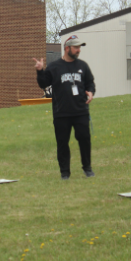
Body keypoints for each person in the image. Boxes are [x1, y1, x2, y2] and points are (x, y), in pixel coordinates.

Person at [34, 34, 96, 180]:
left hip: (80, 110)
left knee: (84, 139)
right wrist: (40, 71)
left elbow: (90, 83)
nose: (78, 50)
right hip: (61, 112)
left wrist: (91, 92)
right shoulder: (55, 67)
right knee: (62, 143)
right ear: (67, 48)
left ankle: (87, 168)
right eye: (76, 47)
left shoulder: (83, 66)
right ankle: (65, 173)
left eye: (79, 47)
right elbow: (43, 83)